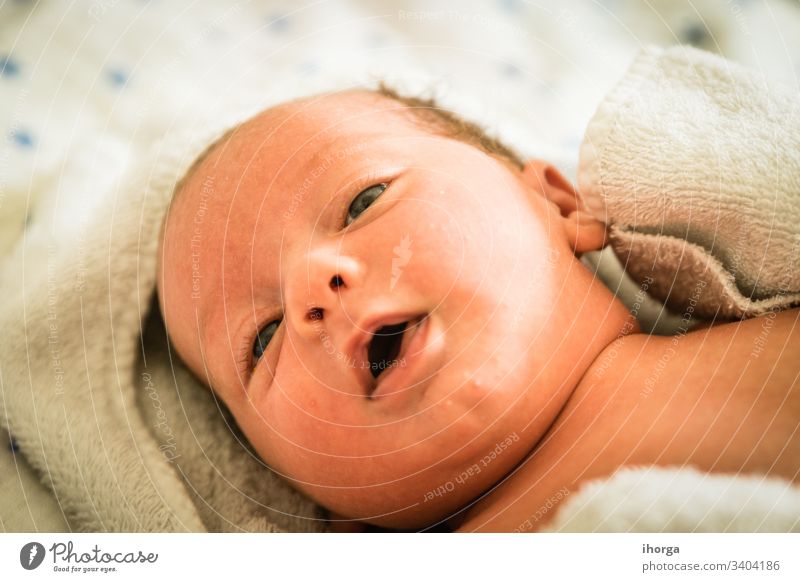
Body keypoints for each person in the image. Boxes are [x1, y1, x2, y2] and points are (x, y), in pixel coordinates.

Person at [156, 86, 799, 532]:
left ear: (557, 204)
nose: (310, 289)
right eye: (262, 340)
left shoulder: (769, 350)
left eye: (364, 201)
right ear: (305, 491)